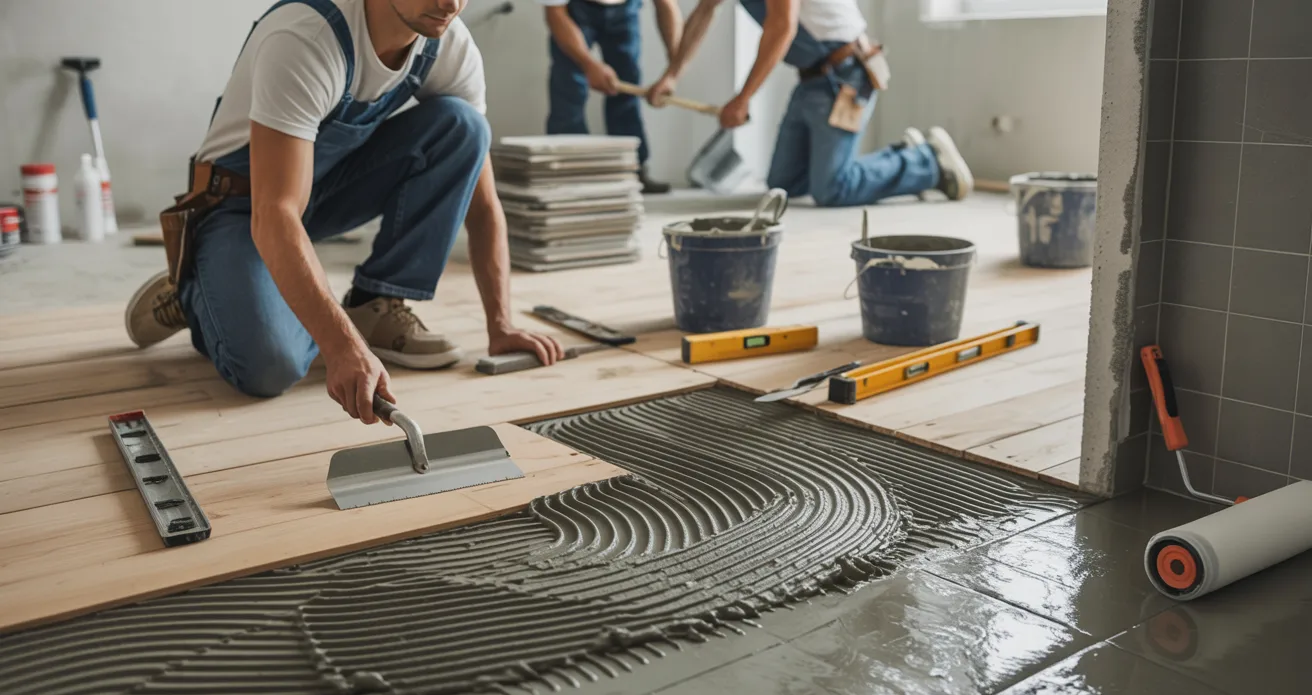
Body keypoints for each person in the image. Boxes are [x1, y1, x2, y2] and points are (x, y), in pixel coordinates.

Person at [125, 0, 563, 425]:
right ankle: (197, 293)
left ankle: (375, 303)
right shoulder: (305, 37)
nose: (450, 3)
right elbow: (275, 213)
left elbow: (483, 204)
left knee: (464, 127)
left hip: (323, 189)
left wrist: (501, 325)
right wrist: (342, 347)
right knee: (271, 367)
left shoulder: (448, 44)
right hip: (242, 207)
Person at [646, 0, 973, 207]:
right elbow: (705, 11)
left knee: (832, 190)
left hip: (846, 74)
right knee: (783, 186)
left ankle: (926, 161)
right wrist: (672, 74)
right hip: (810, 78)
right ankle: (902, 156)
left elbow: (782, 27)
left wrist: (743, 98)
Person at [541, 0, 682, 194]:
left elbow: (666, 5)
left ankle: (631, 170)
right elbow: (555, 13)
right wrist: (588, 64)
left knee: (627, 89)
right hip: (575, 10)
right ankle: (570, 174)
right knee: (569, 88)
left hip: (626, 7)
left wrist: (674, 72)